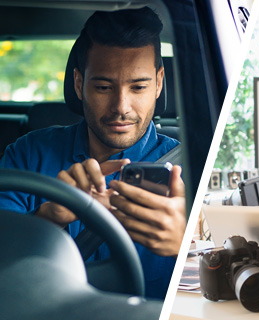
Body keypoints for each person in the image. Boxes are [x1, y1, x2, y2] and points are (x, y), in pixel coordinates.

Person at [0, 7, 186, 300]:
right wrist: (50, 217)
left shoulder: (192, 165)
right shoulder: (27, 155)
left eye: (138, 87)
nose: (121, 107)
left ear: (159, 83)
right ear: (78, 83)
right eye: (103, 86)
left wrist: (184, 244)